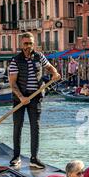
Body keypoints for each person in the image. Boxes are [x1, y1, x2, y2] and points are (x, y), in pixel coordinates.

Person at [8, 32, 60, 169]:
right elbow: (12, 84)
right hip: (20, 98)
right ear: (21, 44)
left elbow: (48, 66)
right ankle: (16, 157)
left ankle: (34, 158)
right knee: (17, 126)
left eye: (30, 43)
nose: (28, 46)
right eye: (25, 43)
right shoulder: (15, 60)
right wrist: (21, 98)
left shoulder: (39, 57)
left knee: (35, 127)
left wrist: (54, 72)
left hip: (35, 97)